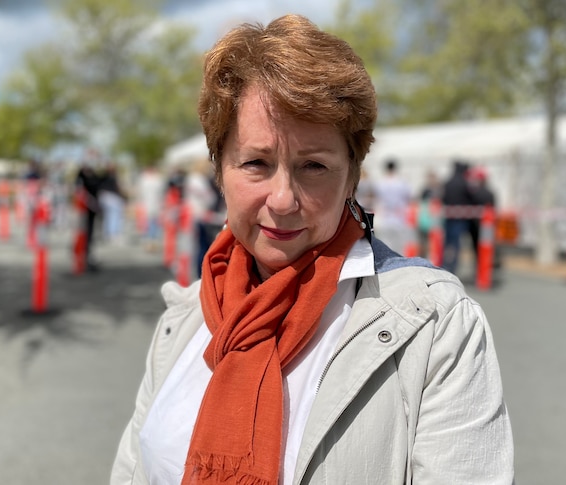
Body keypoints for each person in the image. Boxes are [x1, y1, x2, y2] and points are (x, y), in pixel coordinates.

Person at [111, 14, 513, 485]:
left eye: (314, 166)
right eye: (257, 163)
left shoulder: (435, 325)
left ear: (353, 175)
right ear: (220, 170)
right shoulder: (183, 321)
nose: (283, 200)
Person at [440, 159, 476, 275]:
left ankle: (444, 266)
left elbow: (443, 198)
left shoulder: (448, 182)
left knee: (446, 244)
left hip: (448, 217)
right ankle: (452, 268)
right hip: (460, 219)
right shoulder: (464, 183)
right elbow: (471, 199)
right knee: (456, 244)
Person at [370, 158, 413, 254]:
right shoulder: (402, 182)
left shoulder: (380, 182)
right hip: (399, 217)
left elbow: (375, 197)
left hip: (385, 217)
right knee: (400, 247)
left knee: (386, 245)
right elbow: (409, 197)